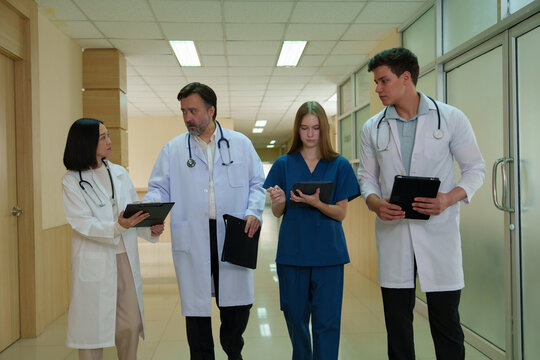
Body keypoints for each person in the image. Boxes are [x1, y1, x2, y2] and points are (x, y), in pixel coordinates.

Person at [357, 48, 486, 360]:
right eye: (376, 82)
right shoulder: (372, 127)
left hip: (438, 233)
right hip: (394, 232)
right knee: (398, 328)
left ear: (406, 78)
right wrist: (375, 203)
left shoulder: (451, 118)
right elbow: (367, 176)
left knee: (446, 324)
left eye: (383, 80)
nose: (378, 88)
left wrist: (447, 199)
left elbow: (475, 170)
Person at [143, 82, 266, 360]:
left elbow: (257, 183)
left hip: (232, 231)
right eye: (184, 111)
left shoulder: (241, 144)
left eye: (194, 110)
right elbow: (158, 188)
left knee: (236, 307)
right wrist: (154, 213)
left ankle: (233, 351)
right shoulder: (173, 149)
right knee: (196, 310)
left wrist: (254, 211)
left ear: (211, 110)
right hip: (193, 235)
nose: (188, 117)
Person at [263, 101, 360, 360]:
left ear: (323, 130)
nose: (309, 134)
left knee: (327, 323)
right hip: (292, 254)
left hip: (328, 255)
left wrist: (317, 203)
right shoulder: (284, 164)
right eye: (304, 128)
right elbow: (278, 212)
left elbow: (341, 213)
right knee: (295, 319)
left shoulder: (339, 165)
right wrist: (278, 202)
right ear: (298, 129)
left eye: (316, 128)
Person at [62, 118, 164, 360]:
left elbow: (131, 214)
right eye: (103, 137)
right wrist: (117, 226)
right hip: (93, 259)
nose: (109, 141)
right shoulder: (71, 180)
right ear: (86, 143)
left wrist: (149, 229)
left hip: (124, 257)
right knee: (90, 330)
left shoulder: (118, 172)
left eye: (108, 135)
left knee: (129, 325)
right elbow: (81, 221)